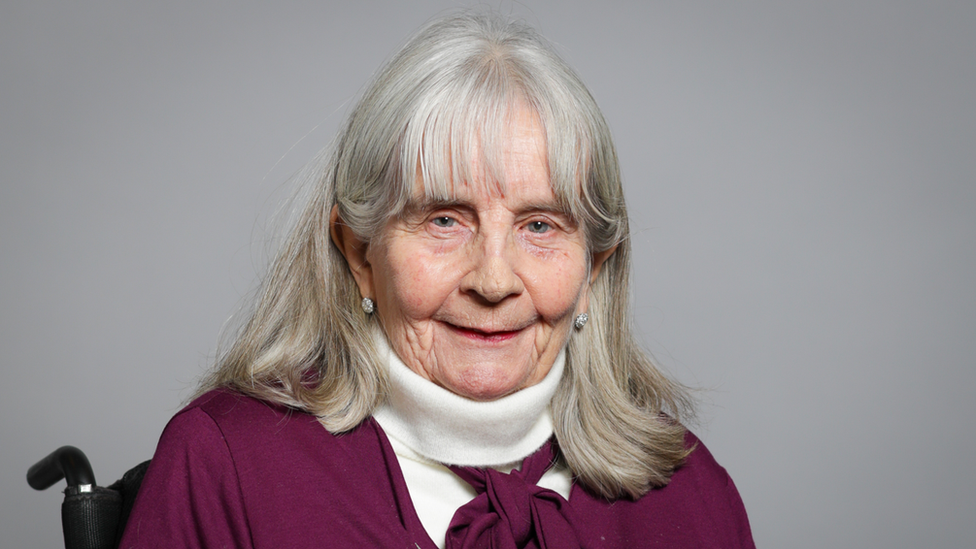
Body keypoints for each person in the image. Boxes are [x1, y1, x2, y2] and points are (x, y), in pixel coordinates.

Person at [120, 11, 754, 549]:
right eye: (445, 219)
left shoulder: (690, 497)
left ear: (593, 272)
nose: (494, 280)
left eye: (539, 226)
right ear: (359, 253)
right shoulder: (229, 465)